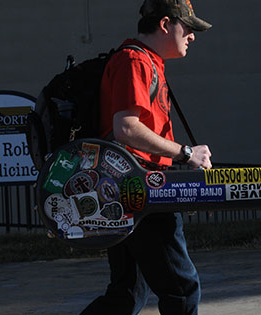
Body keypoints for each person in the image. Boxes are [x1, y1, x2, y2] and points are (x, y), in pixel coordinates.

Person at [80, 1, 213, 314]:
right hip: (141, 190)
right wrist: (185, 153)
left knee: (125, 296)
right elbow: (126, 128)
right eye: (188, 27)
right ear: (165, 24)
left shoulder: (146, 62)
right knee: (181, 289)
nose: (192, 36)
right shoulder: (135, 61)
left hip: (124, 189)